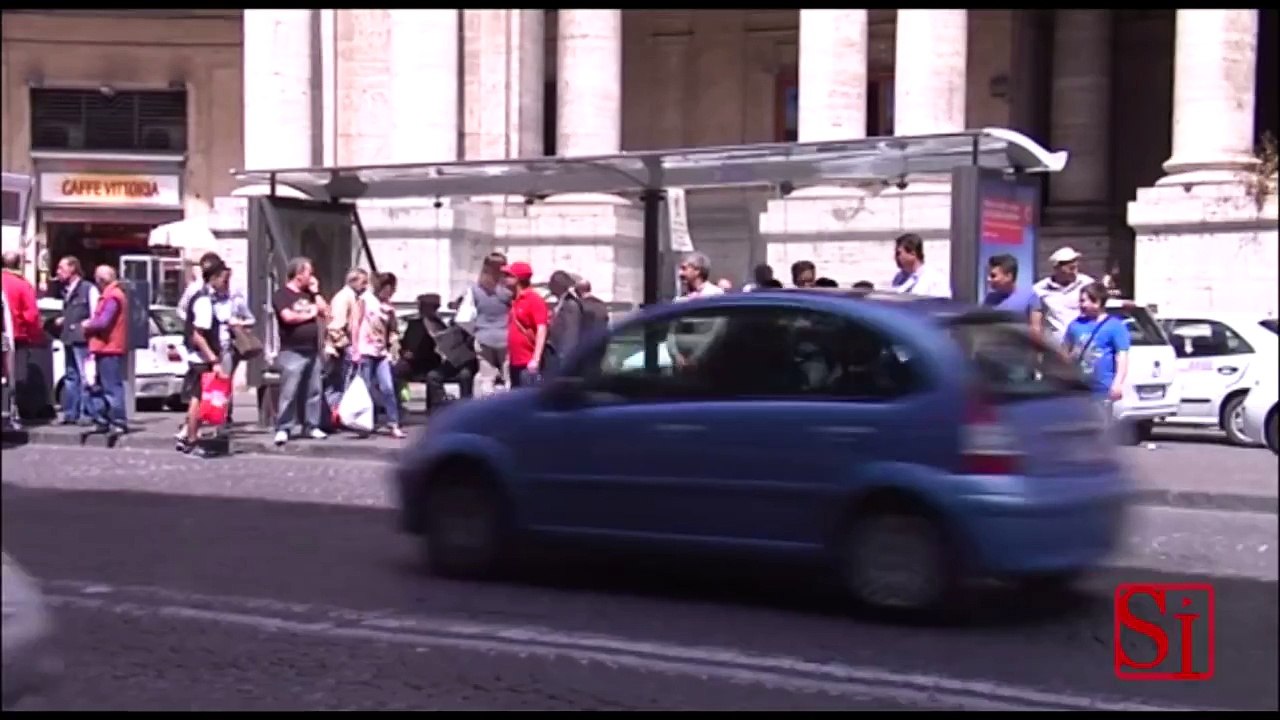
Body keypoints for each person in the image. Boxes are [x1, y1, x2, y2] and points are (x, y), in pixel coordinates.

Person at [176, 258, 233, 457]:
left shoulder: (205, 298)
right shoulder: (204, 302)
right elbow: (198, 336)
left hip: (200, 357)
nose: (225, 282)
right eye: (223, 278)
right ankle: (191, 440)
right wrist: (214, 360)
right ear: (214, 277)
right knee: (198, 400)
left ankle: (188, 437)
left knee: (198, 398)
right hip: (201, 359)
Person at [272, 256, 329, 446]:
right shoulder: (282, 295)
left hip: (312, 349)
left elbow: (325, 311)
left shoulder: (309, 295)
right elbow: (288, 317)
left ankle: (311, 425)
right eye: (309, 273)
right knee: (289, 391)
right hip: (292, 350)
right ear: (299, 274)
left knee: (314, 390)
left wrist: (316, 292)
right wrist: (310, 313)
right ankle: (284, 427)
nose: (312, 277)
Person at [351, 271, 405, 438]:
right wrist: (355, 348)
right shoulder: (365, 300)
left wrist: (394, 344)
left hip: (381, 352)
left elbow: (393, 329)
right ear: (384, 287)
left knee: (387, 387)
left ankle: (393, 423)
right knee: (366, 388)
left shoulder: (388, 306)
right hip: (366, 349)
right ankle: (365, 422)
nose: (392, 292)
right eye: (391, 288)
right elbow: (355, 322)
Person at [404, 293, 477, 416]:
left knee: (465, 375)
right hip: (451, 361)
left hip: (467, 361)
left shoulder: (473, 323)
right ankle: (439, 409)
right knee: (433, 376)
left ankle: (465, 410)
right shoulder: (449, 323)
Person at [1063, 281, 1130, 407]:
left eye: (1083, 301)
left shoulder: (1115, 326)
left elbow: (1121, 357)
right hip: (1077, 390)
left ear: (1097, 302)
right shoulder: (1075, 325)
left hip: (1102, 390)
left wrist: (1117, 383)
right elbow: (1064, 352)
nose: (1081, 305)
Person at [81, 265, 129, 437]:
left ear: (101, 280)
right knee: (98, 387)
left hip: (109, 348)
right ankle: (102, 420)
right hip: (103, 347)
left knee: (111, 387)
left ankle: (118, 421)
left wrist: (88, 324)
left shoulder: (113, 296)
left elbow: (104, 321)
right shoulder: (112, 294)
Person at [455, 252, 512, 397]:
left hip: (483, 337)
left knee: (486, 377)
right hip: (507, 337)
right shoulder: (509, 291)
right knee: (508, 376)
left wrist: (476, 331)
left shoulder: (475, 290)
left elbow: (463, 318)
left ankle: (487, 404)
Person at [54, 256, 99, 425]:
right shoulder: (66, 291)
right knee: (71, 376)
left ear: (72, 268)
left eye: (61, 268)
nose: (58, 272)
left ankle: (86, 413)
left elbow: (95, 314)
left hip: (83, 340)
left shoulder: (88, 289)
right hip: (69, 339)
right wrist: (63, 320)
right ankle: (70, 413)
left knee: (85, 375)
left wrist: (85, 326)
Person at [1, 251, 43, 427]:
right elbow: (31, 315)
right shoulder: (22, 285)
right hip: (16, 336)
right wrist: (36, 336)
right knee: (15, 376)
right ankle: (11, 413)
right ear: (19, 264)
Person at [323, 268, 369, 423]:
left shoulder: (353, 298)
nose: (365, 286)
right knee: (337, 384)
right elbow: (335, 326)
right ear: (353, 281)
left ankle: (337, 416)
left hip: (342, 348)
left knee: (342, 384)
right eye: (363, 282)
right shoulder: (344, 298)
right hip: (338, 349)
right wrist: (346, 345)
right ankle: (331, 416)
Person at [1033, 246, 1096, 345]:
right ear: (1057, 268)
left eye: (1076, 267)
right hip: (1056, 345)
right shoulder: (1040, 289)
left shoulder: (1087, 283)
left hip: (1083, 342)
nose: (1075, 272)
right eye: (1071, 268)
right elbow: (1036, 321)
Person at [505, 261, 549, 387]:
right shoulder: (515, 299)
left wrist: (536, 359)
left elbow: (541, 329)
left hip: (527, 362)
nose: (505, 278)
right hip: (515, 361)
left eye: (509, 275)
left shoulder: (534, 299)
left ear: (518, 279)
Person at [982, 254, 1044, 336]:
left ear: (1008, 276)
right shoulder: (990, 298)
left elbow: (1036, 330)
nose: (988, 279)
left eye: (993, 276)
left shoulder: (1030, 297)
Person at [889, 233, 952, 297]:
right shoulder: (898, 278)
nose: (895, 257)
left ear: (912, 253)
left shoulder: (934, 279)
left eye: (898, 253)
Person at [547, 269, 584, 373]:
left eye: (552, 284)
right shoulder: (562, 302)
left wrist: (565, 356)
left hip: (564, 356)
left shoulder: (570, 304)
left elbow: (571, 333)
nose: (549, 288)